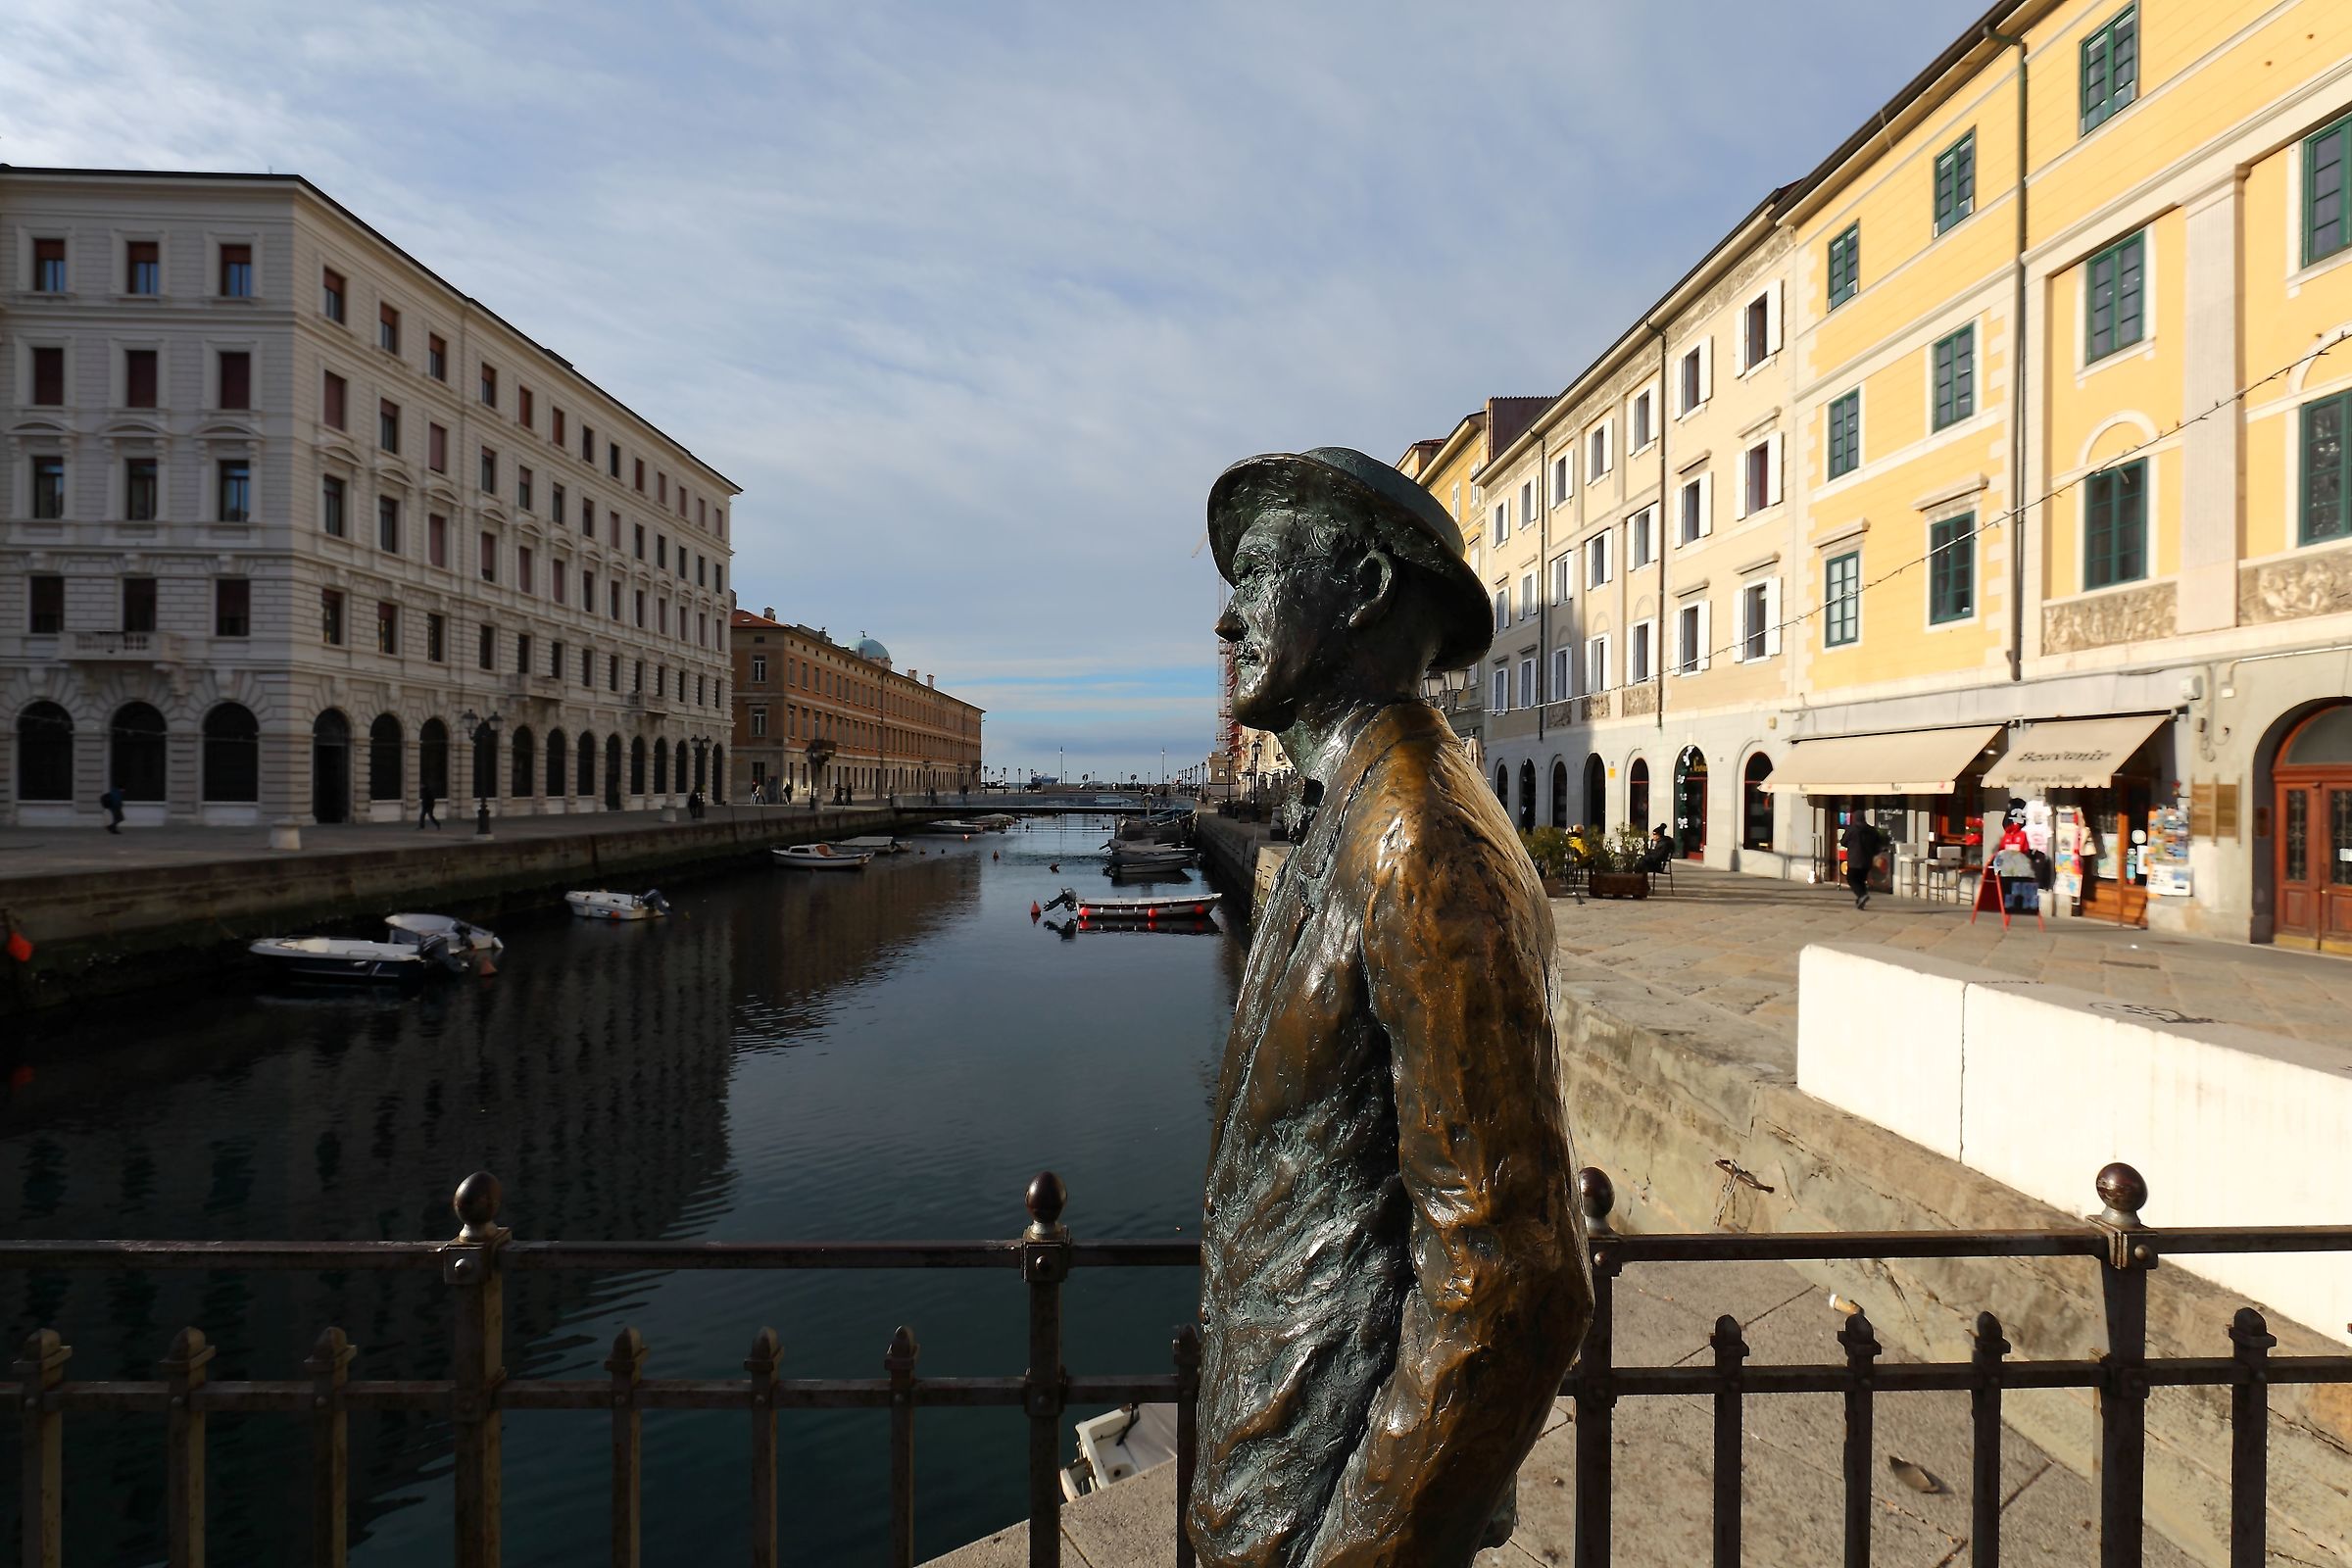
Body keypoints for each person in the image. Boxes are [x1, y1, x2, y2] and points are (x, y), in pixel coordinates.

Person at [1192, 446, 1590, 1566]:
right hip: (1284, 1481)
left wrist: (1365, 1549)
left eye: (1258, 570)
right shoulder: (1358, 812)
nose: (1228, 620)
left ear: (1363, 589)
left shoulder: (1418, 839)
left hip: (1324, 1521)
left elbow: (1515, 1278)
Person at [1840, 815, 1884, 908]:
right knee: (1861, 880)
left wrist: (1851, 845)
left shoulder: (1851, 830)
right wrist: (1873, 852)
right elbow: (1879, 844)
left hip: (1854, 859)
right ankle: (1861, 899)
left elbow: (1843, 842)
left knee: (1851, 879)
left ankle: (1862, 895)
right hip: (1867, 860)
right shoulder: (1872, 830)